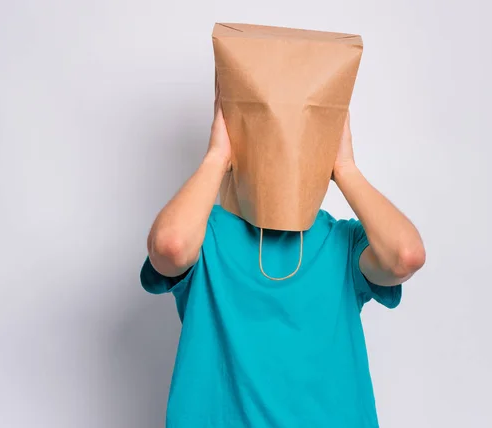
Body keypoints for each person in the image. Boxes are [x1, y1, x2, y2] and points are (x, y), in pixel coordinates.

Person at [140, 92, 426, 427]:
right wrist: (216, 157)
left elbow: (405, 256)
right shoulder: (205, 234)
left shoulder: (343, 242)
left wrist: (346, 168)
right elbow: (169, 247)